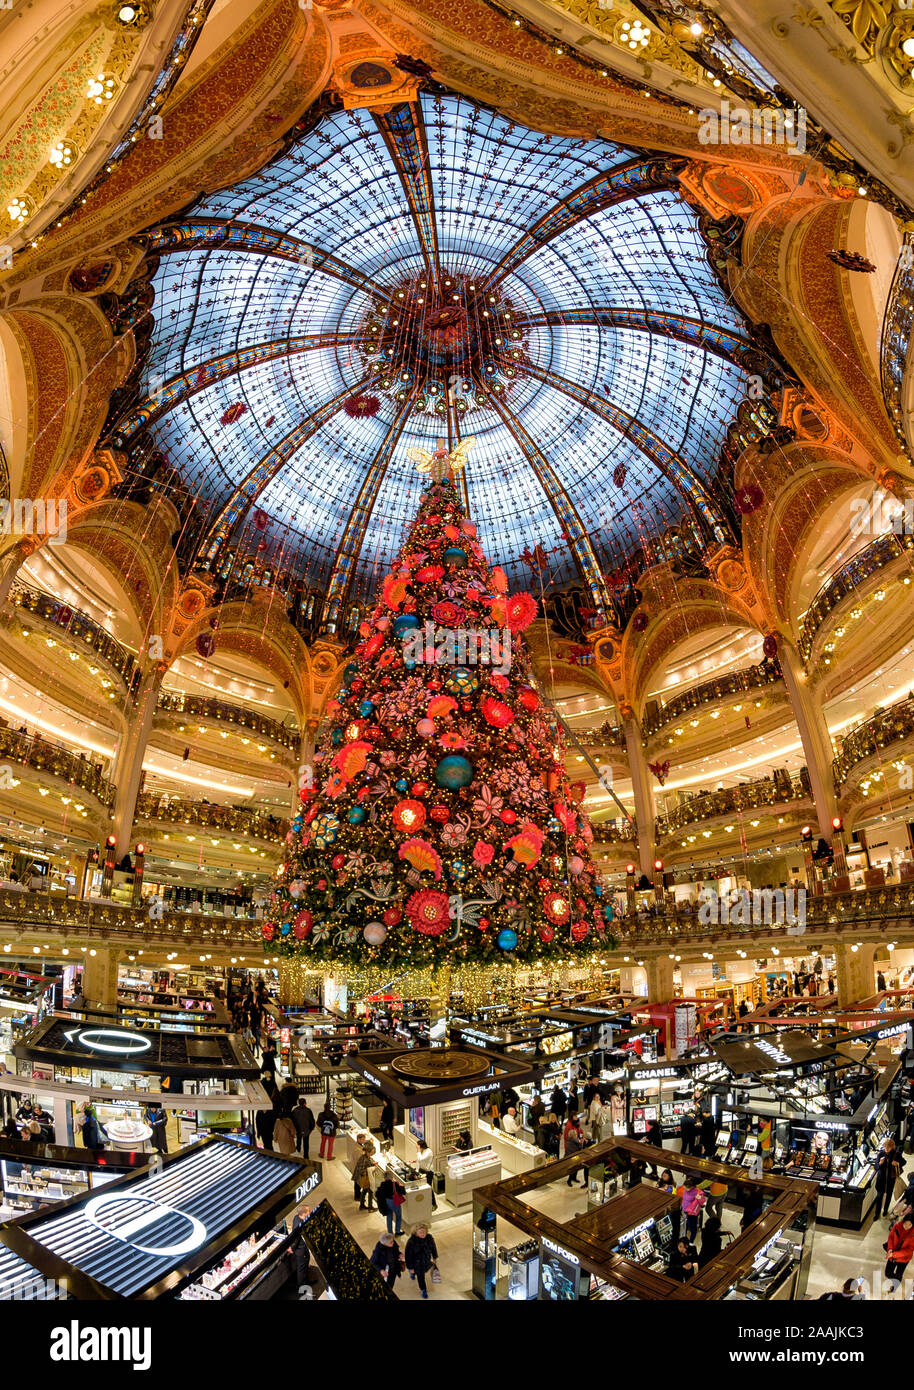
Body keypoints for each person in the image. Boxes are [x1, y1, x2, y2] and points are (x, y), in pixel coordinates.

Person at [404, 1223, 438, 1299]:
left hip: (426, 1260)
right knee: (421, 1277)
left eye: (424, 1232)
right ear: (416, 1233)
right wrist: (410, 1268)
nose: (423, 1234)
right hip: (416, 1263)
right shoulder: (411, 1242)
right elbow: (408, 1256)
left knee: (427, 1270)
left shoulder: (429, 1238)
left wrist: (435, 1257)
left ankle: (414, 1273)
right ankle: (423, 1289)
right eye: (420, 1232)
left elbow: (433, 1247)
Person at [884, 1214, 914, 1295]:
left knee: (899, 1273)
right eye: (905, 1223)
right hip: (893, 1255)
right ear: (903, 1221)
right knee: (888, 1273)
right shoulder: (897, 1226)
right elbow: (891, 1237)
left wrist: (893, 1254)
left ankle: (894, 1287)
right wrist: (890, 1249)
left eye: (910, 1225)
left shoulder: (913, 1234)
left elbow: (909, 1250)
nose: (907, 1226)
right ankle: (897, 1280)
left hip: (904, 1258)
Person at [875, 1137, 902, 1218]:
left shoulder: (896, 1154)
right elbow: (876, 1167)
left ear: (892, 1147)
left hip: (891, 1180)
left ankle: (885, 1210)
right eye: (885, 1147)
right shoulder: (880, 1154)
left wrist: (897, 1163)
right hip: (881, 1180)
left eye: (888, 1147)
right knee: (879, 1197)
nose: (886, 1149)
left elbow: (904, 1162)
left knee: (888, 1196)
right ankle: (877, 1213)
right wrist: (880, 1163)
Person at [352, 1142, 377, 1210]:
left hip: (363, 1178)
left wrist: (371, 1164)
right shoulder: (364, 1159)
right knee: (370, 1192)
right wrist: (373, 1168)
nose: (373, 1154)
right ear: (368, 1152)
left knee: (364, 1191)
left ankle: (362, 1205)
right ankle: (370, 1207)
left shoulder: (365, 1157)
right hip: (365, 1178)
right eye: (372, 1152)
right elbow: (362, 1169)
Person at [563, 1114, 586, 1185]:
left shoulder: (571, 1140)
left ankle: (573, 1178)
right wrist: (581, 1142)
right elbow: (580, 1148)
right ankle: (569, 1180)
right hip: (573, 1157)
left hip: (572, 1156)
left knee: (575, 1168)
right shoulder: (575, 1141)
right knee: (573, 1169)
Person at [415, 1139, 437, 1209]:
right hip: (422, 1170)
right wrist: (417, 1170)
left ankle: (434, 1204)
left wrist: (418, 1151)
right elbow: (418, 1161)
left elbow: (421, 1159)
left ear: (420, 1146)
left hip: (428, 1172)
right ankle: (425, 1202)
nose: (416, 1146)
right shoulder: (420, 1151)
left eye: (417, 1145)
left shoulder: (429, 1151)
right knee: (422, 1186)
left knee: (428, 1187)